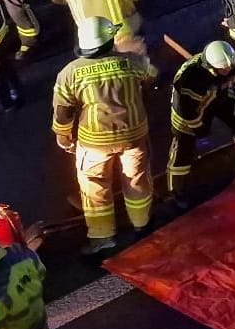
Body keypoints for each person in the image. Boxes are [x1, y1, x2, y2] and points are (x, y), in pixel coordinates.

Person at [53, 16, 158, 255]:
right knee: (137, 181)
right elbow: (151, 76)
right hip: (133, 135)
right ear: (110, 41)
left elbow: (63, 111)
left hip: (94, 142)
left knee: (94, 186)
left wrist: (63, 137)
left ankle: (102, 238)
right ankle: (143, 226)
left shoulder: (69, 73)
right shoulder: (132, 62)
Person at [167, 41, 235, 208]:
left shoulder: (230, 62)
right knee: (183, 149)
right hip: (190, 112)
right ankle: (177, 192)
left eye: (230, 68)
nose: (229, 71)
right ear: (211, 67)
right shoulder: (190, 81)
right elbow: (187, 111)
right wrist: (198, 127)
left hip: (218, 97)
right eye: (224, 70)